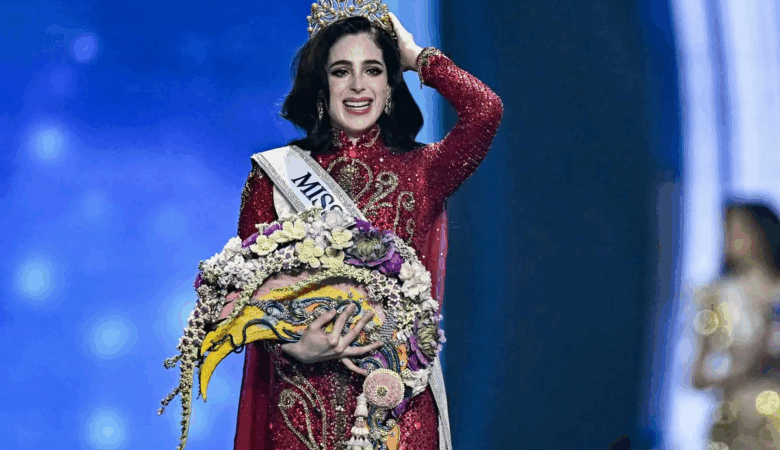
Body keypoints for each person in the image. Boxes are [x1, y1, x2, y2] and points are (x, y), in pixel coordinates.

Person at [234, 5, 503, 450]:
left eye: (373, 70)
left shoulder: (424, 170)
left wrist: (417, 57)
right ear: (321, 85)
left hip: (398, 407)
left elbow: (485, 110)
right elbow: (243, 294)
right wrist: (293, 344)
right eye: (341, 71)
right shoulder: (274, 176)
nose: (358, 86)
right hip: (302, 403)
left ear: (390, 85)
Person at [690, 201, 780, 450]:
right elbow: (697, 376)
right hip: (736, 423)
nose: (736, 239)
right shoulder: (716, 296)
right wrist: (741, 369)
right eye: (730, 231)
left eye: (744, 230)